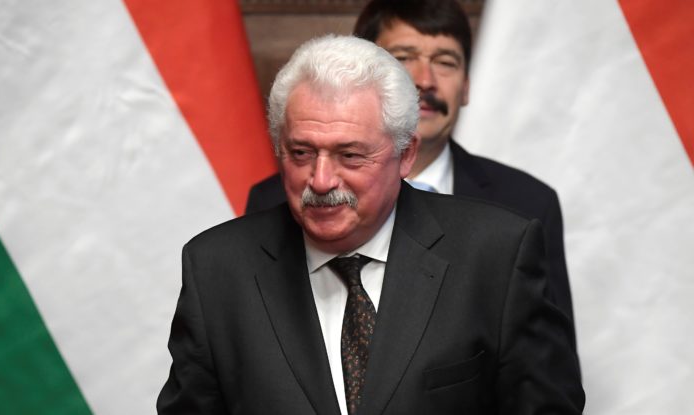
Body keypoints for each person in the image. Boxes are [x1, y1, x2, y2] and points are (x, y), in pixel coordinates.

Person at [158, 35, 583, 414]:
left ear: (406, 154)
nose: (321, 181)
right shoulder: (217, 270)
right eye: (301, 153)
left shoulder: (497, 256)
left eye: (350, 155)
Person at [245, 0, 576, 327]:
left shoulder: (525, 205)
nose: (425, 80)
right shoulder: (276, 199)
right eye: (403, 58)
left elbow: (546, 354)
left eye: (445, 62)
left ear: (466, 86)